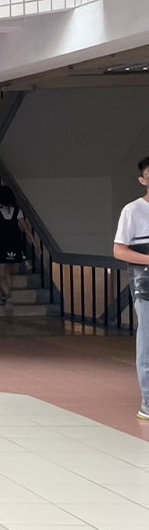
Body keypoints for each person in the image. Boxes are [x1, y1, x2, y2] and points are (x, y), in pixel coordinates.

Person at [111, 155, 149, 421]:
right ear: (142, 180)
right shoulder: (132, 211)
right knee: (147, 343)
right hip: (145, 286)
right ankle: (148, 401)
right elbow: (119, 250)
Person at [0, 186, 30, 307]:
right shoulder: (17, 210)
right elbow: (25, 228)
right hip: (14, 244)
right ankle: (5, 296)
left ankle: (8, 296)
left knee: (0, 274)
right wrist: (35, 244)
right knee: (8, 272)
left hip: (0, 245)